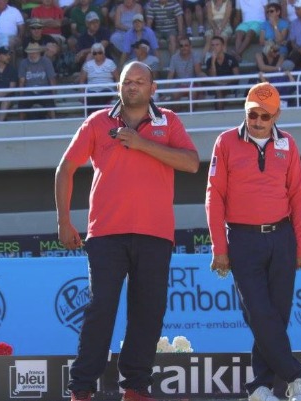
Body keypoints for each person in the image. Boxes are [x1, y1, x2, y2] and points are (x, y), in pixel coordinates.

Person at [57, 61, 200, 401]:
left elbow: (192, 163)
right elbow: (65, 168)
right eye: (126, 81)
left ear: (153, 88)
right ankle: (81, 389)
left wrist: (141, 143)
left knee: (148, 311)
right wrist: (63, 220)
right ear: (118, 86)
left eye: (139, 81)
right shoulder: (97, 122)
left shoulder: (169, 121)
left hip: (156, 234)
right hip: (106, 234)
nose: (132, 86)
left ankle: (135, 388)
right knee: (100, 309)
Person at [205, 81, 301, 401]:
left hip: (282, 237)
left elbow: (298, 195)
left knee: (277, 316)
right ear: (245, 112)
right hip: (242, 239)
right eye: (253, 114)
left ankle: (261, 387)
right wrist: (219, 248)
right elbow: (214, 196)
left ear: (276, 116)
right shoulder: (225, 142)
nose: (258, 121)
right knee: (259, 313)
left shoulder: (289, 143)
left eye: (265, 116)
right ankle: (295, 375)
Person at [18, 43, 57, 120]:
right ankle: (21, 123)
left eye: (34, 53)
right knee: (22, 104)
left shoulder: (46, 61)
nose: (32, 55)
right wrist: (21, 96)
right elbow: (21, 81)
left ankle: (53, 121)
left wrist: (54, 95)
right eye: (30, 53)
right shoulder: (23, 63)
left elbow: (51, 79)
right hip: (29, 91)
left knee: (50, 103)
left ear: (39, 53)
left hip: (44, 91)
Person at [78, 42, 118, 114]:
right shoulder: (88, 65)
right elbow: (82, 81)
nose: (97, 55)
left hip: (107, 89)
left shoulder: (110, 63)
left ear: (103, 52)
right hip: (92, 90)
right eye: (95, 53)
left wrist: (117, 92)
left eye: (100, 52)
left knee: (102, 96)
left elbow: (118, 78)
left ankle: (100, 116)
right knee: (91, 99)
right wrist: (82, 93)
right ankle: (92, 118)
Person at [204, 36, 241, 110]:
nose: (214, 47)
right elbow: (212, 77)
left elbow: (237, 76)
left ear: (222, 46)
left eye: (217, 45)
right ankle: (219, 113)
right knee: (218, 90)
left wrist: (224, 82)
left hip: (229, 85)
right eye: (212, 45)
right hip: (215, 86)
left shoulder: (231, 59)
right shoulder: (209, 61)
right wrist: (213, 62)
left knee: (220, 89)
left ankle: (218, 113)